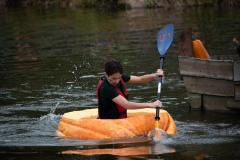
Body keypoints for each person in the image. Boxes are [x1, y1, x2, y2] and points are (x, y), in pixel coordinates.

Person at [96, 59, 164, 119]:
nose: (117, 81)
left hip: (120, 119)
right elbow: (127, 105)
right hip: (109, 122)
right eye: (113, 78)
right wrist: (151, 104)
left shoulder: (119, 77)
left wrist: (154, 75)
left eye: (119, 78)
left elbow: (140, 79)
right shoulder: (106, 88)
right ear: (106, 75)